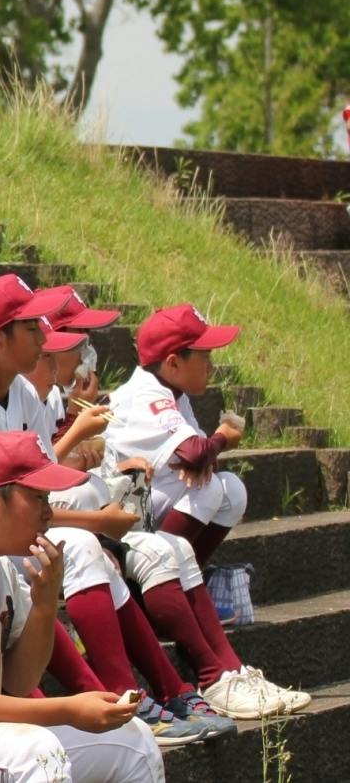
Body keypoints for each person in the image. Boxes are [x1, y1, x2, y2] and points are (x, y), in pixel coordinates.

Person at [0, 431, 164, 782]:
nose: (48, 513)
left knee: (134, 741)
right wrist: (66, 709)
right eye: (38, 498)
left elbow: (20, 681)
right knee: (39, 751)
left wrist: (45, 605)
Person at [109, 303, 310, 718]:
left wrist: (206, 453)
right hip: (120, 521)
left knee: (230, 489)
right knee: (212, 488)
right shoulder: (146, 394)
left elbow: (199, 458)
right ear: (172, 362)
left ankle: (224, 660)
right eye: (203, 356)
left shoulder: (173, 392)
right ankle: (206, 661)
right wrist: (223, 437)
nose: (211, 365)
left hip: (150, 514)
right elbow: (195, 452)